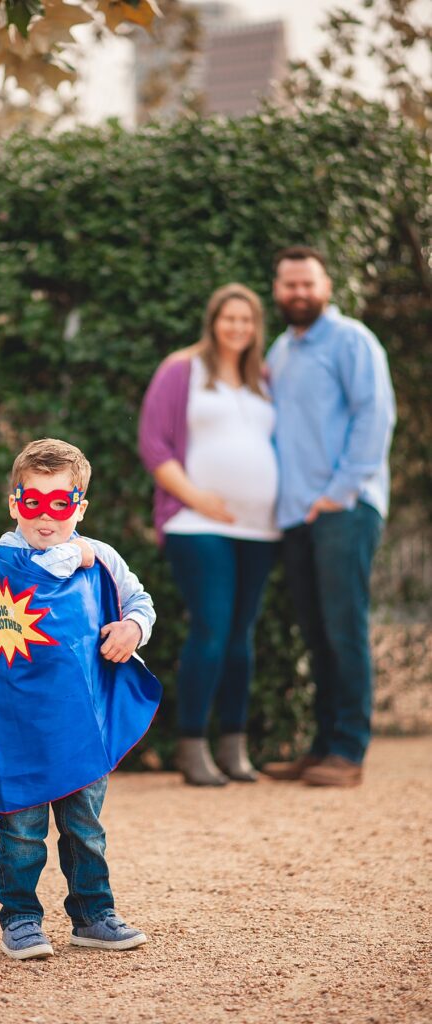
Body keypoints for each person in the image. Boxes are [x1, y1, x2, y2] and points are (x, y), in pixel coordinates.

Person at [0, 438, 161, 960]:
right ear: (14, 503)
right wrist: (82, 550)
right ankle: (21, 918)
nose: (46, 517)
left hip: (81, 719)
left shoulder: (102, 557)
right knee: (22, 829)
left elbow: (140, 599)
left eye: (61, 503)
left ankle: (92, 914)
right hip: (20, 723)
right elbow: (42, 569)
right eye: (33, 502)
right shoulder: (8, 554)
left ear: (80, 506)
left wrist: (133, 628)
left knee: (85, 827)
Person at [262, 246, 396, 788]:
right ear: (278, 289)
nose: (299, 293)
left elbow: (376, 415)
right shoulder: (280, 350)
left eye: (308, 284)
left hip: (344, 506)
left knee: (344, 629)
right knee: (316, 633)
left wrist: (340, 491)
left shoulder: (352, 340)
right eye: (289, 284)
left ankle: (348, 750)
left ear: (327, 286)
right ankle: (320, 747)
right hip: (296, 516)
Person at [138, 283, 279, 787]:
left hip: (260, 529)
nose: (237, 327)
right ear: (213, 321)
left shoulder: (262, 381)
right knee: (212, 629)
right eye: (229, 318)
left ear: (255, 327)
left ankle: (234, 748)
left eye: (247, 319)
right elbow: (154, 446)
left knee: (242, 636)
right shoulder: (182, 370)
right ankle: (192, 747)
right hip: (196, 523)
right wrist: (200, 500)